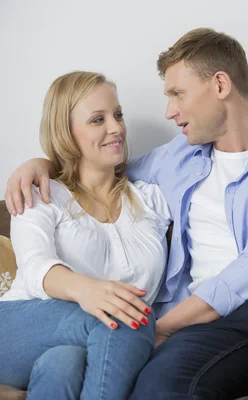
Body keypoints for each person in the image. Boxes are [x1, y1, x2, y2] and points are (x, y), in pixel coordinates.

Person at [4, 28, 248, 399]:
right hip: (219, 325)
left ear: (220, 85)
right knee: (158, 387)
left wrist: (161, 325)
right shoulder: (175, 160)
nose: (169, 111)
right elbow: (98, 169)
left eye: (177, 94)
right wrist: (39, 164)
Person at [0, 71, 168, 399]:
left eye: (118, 115)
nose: (116, 127)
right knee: (125, 314)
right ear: (66, 132)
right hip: (18, 326)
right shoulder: (41, 194)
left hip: (95, 344)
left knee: (63, 365)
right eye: (97, 119)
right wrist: (88, 291)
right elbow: (35, 268)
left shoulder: (151, 200)